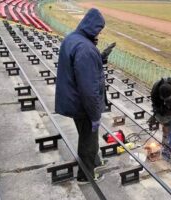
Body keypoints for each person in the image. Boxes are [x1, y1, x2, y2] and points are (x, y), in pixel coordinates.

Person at [55, 8, 110, 184]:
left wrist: (98, 59)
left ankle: (95, 162)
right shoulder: (86, 48)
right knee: (88, 141)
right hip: (82, 105)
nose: (99, 33)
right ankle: (85, 176)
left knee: (87, 137)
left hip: (72, 100)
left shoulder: (73, 38)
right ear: (93, 27)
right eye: (99, 30)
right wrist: (95, 115)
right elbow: (89, 88)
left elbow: (78, 67)